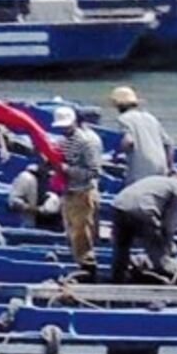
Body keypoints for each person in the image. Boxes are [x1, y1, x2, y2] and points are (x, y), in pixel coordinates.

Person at [110, 164, 177, 283]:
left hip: (119, 204)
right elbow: (170, 223)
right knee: (156, 247)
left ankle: (118, 278)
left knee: (122, 246)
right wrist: (167, 242)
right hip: (143, 209)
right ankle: (171, 273)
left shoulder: (161, 180)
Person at [54, 105, 103, 277]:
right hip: (68, 191)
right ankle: (79, 263)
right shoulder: (65, 140)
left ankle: (87, 269)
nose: (64, 130)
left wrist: (66, 169)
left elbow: (94, 171)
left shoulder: (86, 142)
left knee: (82, 234)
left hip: (82, 192)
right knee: (72, 232)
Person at [110, 86, 174, 186]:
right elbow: (169, 144)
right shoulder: (150, 117)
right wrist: (170, 167)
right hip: (161, 169)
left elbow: (128, 142)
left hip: (141, 171)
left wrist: (116, 154)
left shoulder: (124, 119)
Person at [8, 164, 61, 228]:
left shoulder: (56, 179)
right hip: (28, 225)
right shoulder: (26, 177)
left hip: (54, 226)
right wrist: (37, 210)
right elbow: (13, 202)